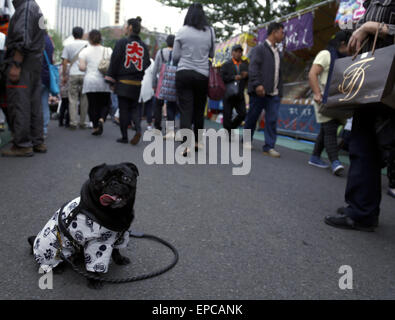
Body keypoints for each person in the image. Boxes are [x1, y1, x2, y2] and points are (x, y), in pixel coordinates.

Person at [324, 0, 395, 231]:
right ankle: (361, 210)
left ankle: (361, 210)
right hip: (373, 80)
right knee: (363, 146)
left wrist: (371, 27)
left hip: (389, 81)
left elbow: (381, 28)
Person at [1, 0, 46, 157]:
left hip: (23, 64)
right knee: (34, 104)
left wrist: (15, 65)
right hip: (34, 63)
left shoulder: (26, 8)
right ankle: (37, 141)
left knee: (19, 103)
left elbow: (22, 39)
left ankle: (22, 144)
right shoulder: (35, 8)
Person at [173, 3, 215, 155]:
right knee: (198, 109)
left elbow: (175, 56)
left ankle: (185, 145)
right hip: (202, 75)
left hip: (184, 73)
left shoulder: (182, 31)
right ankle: (197, 141)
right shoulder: (210, 31)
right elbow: (212, 54)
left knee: (185, 109)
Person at [308, 31, 351, 176]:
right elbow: (312, 73)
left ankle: (314, 157)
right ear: (343, 43)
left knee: (326, 129)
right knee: (330, 128)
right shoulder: (326, 54)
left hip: (336, 99)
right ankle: (335, 162)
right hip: (323, 98)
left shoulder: (345, 57)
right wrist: (317, 93)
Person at [106, 17, 151, 145]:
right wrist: (139, 71)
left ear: (130, 27)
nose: (125, 28)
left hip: (123, 81)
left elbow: (114, 61)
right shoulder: (143, 46)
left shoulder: (122, 42)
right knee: (135, 108)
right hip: (136, 83)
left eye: (126, 26)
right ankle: (137, 129)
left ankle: (124, 136)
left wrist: (111, 80)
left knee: (124, 108)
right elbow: (147, 62)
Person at [244, 22, 285, 158]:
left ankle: (269, 146)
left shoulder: (278, 52)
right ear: (274, 32)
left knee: (272, 119)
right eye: (281, 32)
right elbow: (253, 68)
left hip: (274, 93)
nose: (283, 35)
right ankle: (247, 140)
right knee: (253, 116)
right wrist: (257, 84)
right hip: (259, 91)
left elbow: (279, 73)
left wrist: (280, 90)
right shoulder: (259, 49)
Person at [79, 30, 112, 136]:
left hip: (90, 81)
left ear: (89, 38)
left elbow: (82, 68)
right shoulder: (108, 50)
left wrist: (85, 66)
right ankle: (102, 119)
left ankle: (95, 127)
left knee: (92, 105)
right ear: (100, 38)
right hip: (104, 81)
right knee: (106, 103)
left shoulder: (84, 51)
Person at [61, 26, 88, 130]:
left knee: (73, 98)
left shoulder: (68, 45)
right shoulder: (87, 45)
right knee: (84, 99)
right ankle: (82, 122)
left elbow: (64, 62)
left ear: (73, 34)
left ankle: (73, 122)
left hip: (73, 74)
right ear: (82, 34)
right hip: (84, 74)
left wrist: (64, 76)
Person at [220, 44, 248, 140]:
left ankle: (231, 128)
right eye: (236, 51)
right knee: (227, 114)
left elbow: (248, 78)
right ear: (232, 53)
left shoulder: (244, 65)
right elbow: (221, 77)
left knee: (243, 113)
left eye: (240, 52)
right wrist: (233, 78)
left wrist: (246, 75)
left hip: (239, 94)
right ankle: (228, 133)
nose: (238, 53)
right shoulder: (226, 64)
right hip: (228, 93)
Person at [152, 34, 178, 136]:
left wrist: (153, 83)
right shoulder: (178, 53)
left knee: (158, 105)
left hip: (161, 82)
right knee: (171, 106)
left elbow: (155, 69)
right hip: (173, 83)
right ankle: (170, 130)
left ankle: (157, 127)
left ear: (167, 42)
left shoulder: (161, 52)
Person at [41, 31, 54, 138]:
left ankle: (35, 129)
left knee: (34, 103)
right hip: (46, 76)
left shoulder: (36, 39)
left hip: (36, 75)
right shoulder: (49, 40)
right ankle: (44, 128)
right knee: (44, 102)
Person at [139, 57, 154, 131]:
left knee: (137, 106)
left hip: (138, 84)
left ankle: (136, 123)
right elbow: (154, 73)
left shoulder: (137, 59)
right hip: (148, 86)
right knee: (149, 106)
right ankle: (149, 124)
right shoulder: (150, 61)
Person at [58, 63, 70, 127]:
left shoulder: (60, 67)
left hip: (61, 88)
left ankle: (60, 121)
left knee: (63, 104)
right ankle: (67, 122)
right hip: (68, 88)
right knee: (68, 105)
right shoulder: (68, 66)